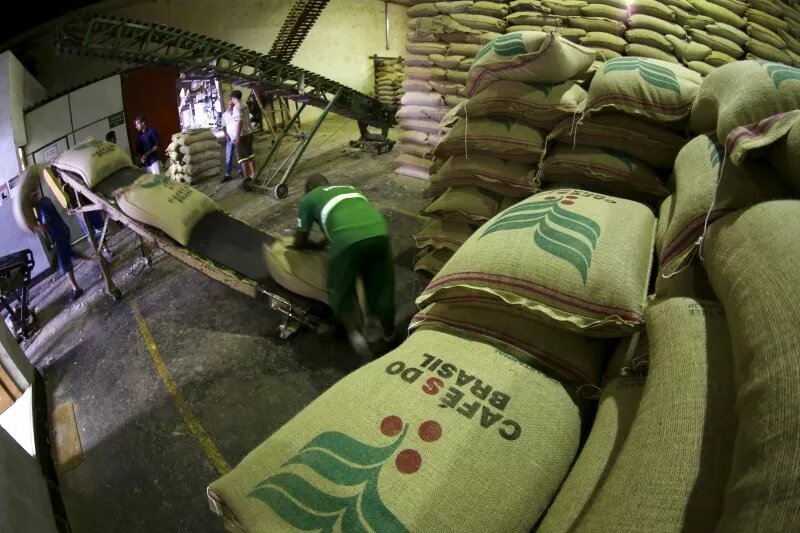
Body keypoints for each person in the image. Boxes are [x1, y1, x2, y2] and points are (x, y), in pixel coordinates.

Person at [293, 173, 396, 360]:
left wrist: (313, 247)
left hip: (347, 240)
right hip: (379, 231)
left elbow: (299, 241)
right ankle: (390, 335)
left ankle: (356, 338)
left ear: (308, 189)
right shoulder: (349, 189)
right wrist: (325, 241)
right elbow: (349, 219)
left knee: (340, 288)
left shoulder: (308, 199)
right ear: (327, 184)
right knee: (382, 285)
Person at [31, 190, 84, 301]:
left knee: (64, 263)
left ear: (34, 198)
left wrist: (34, 227)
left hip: (59, 235)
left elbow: (45, 226)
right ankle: (94, 259)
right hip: (63, 230)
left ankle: (76, 289)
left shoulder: (41, 208)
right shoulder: (45, 200)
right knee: (70, 253)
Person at [230, 90, 255, 181]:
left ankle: (246, 178)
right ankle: (253, 175)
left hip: (242, 135)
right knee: (250, 155)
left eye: (231, 99)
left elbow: (239, 122)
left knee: (243, 159)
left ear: (233, 98)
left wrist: (237, 136)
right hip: (249, 133)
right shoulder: (245, 104)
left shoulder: (236, 107)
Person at [221, 100, 240, 183]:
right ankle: (227, 175)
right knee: (228, 157)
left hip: (238, 138)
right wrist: (226, 135)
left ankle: (241, 171)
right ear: (227, 105)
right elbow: (223, 126)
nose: (231, 106)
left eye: (232, 104)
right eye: (229, 104)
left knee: (239, 156)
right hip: (229, 139)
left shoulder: (238, 113)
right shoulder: (224, 115)